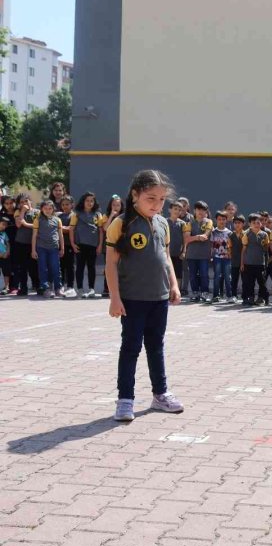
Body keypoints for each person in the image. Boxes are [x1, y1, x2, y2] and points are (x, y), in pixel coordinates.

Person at [104, 170, 183, 422]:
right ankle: (125, 400)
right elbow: (111, 264)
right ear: (135, 195)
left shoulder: (162, 223)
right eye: (151, 198)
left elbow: (166, 256)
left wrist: (173, 284)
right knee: (130, 348)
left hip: (159, 298)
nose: (157, 205)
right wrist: (115, 298)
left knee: (156, 346)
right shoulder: (121, 224)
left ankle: (160, 395)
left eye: (161, 199)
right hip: (132, 299)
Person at [70, 192, 106, 298]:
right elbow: (71, 229)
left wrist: (99, 245)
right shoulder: (76, 213)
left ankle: (91, 289)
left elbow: (100, 231)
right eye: (87, 200)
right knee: (80, 267)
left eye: (92, 201)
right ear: (83, 201)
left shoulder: (98, 214)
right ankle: (80, 289)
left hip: (93, 245)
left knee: (91, 267)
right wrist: (72, 244)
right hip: (80, 244)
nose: (89, 203)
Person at [31, 200, 64, 297]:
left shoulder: (57, 220)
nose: (48, 210)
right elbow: (34, 236)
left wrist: (62, 248)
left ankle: (58, 288)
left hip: (54, 248)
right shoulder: (38, 220)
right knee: (43, 268)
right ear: (41, 209)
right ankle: (45, 288)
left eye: (50, 208)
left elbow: (60, 235)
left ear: (53, 209)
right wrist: (33, 250)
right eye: (45, 208)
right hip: (41, 248)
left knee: (56, 268)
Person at [183, 201, 213, 303]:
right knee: (192, 275)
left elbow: (205, 236)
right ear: (194, 211)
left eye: (203, 210)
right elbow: (186, 239)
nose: (201, 212)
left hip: (204, 255)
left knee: (204, 274)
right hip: (191, 254)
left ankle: (205, 293)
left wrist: (194, 237)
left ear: (206, 212)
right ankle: (195, 293)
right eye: (198, 209)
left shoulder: (209, 222)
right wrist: (197, 237)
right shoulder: (189, 223)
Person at [240, 213, 271, 306]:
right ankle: (251, 298)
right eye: (254, 223)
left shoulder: (264, 235)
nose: (256, 225)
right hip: (249, 263)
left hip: (260, 263)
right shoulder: (246, 234)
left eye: (258, 223)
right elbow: (243, 250)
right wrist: (242, 263)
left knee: (262, 282)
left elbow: (266, 248)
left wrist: (266, 262)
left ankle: (265, 298)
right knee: (250, 283)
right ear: (249, 224)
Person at [13, 194, 39, 296]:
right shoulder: (18, 212)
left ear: (30, 201)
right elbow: (18, 224)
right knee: (22, 267)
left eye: (26, 201)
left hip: (34, 243)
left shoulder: (37, 212)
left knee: (34, 267)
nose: (24, 204)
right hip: (21, 243)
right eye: (22, 202)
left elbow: (40, 225)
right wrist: (23, 212)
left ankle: (37, 286)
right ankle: (23, 288)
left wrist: (28, 224)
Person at [101, 194, 124, 297]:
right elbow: (105, 228)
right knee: (109, 266)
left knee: (121, 267)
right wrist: (111, 216)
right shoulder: (106, 216)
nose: (115, 207)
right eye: (113, 205)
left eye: (118, 205)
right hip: (109, 246)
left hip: (121, 245)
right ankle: (107, 288)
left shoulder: (124, 217)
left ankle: (120, 288)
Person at [210, 211, 232, 303]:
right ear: (216, 220)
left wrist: (230, 254)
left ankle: (230, 296)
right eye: (219, 219)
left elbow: (231, 246)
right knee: (217, 276)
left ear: (226, 220)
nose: (221, 221)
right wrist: (210, 256)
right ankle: (216, 295)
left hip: (227, 258)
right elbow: (211, 245)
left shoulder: (229, 233)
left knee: (227, 277)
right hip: (216, 258)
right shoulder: (213, 232)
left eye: (223, 219)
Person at [57, 196, 77, 296]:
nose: (65, 206)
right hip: (60, 245)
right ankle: (61, 286)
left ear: (72, 205)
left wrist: (60, 228)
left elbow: (71, 229)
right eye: (63, 204)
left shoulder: (74, 216)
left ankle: (70, 286)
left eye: (67, 204)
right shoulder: (58, 216)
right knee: (61, 266)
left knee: (70, 266)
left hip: (69, 245)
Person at [166, 201, 186, 295]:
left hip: (178, 253)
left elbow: (185, 239)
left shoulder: (182, 224)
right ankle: (167, 292)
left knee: (178, 273)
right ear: (170, 210)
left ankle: (176, 292)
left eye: (179, 210)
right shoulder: (164, 221)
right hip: (166, 253)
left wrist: (184, 251)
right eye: (175, 209)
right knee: (167, 273)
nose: (177, 211)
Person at [229, 215, 245, 304]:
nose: (237, 225)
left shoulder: (246, 234)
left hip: (244, 261)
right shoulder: (231, 235)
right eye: (235, 223)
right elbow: (229, 247)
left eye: (239, 223)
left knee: (245, 280)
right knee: (234, 280)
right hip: (234, 261)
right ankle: (234, 296)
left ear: (243, 224)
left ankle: (244, 296)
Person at [0, 217, 9, 294]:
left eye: (5, 225)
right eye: (3, 224)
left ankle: (6, 287)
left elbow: (8, 244)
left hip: (4, 256)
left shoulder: (4, 233)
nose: (4, 226)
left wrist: (7, 252)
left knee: (6, 271)